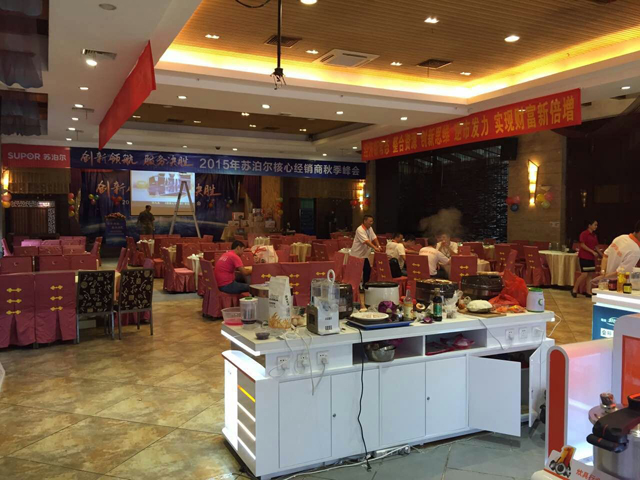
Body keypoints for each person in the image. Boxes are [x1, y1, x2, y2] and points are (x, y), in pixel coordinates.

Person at [592, 221, 640, 286]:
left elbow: (605, 256)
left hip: (606, 283)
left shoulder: (621, 237)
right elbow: (621, 273)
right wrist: (603, 277)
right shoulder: (635, 251)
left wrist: (603, 274)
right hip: (619, 286)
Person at [572, 220, 601, 298]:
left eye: (596, 225)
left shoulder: (594, 235)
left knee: (590, 274)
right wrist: (592, 251)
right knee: (584, 274)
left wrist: (601, 254)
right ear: (589, 225)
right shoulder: (584, 234)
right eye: (595, 225)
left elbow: (596, 246)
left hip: (591, 257)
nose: (596, 226)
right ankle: (574, 289)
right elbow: (582, 245)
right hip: (584, 256)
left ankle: (588, 291)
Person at [351, 214, 382, 285]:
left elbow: (374, 237)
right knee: (357, 272)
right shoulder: (360, 229)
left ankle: (365, 285)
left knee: (367, 270)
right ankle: (356, 286)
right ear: (365, 221)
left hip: (364, 255)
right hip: (357, 255)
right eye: (370, 221)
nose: (371, 223)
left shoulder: (370, 229)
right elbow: (366, 241)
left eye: (372, 221)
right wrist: (375, 248)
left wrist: (378, 245)